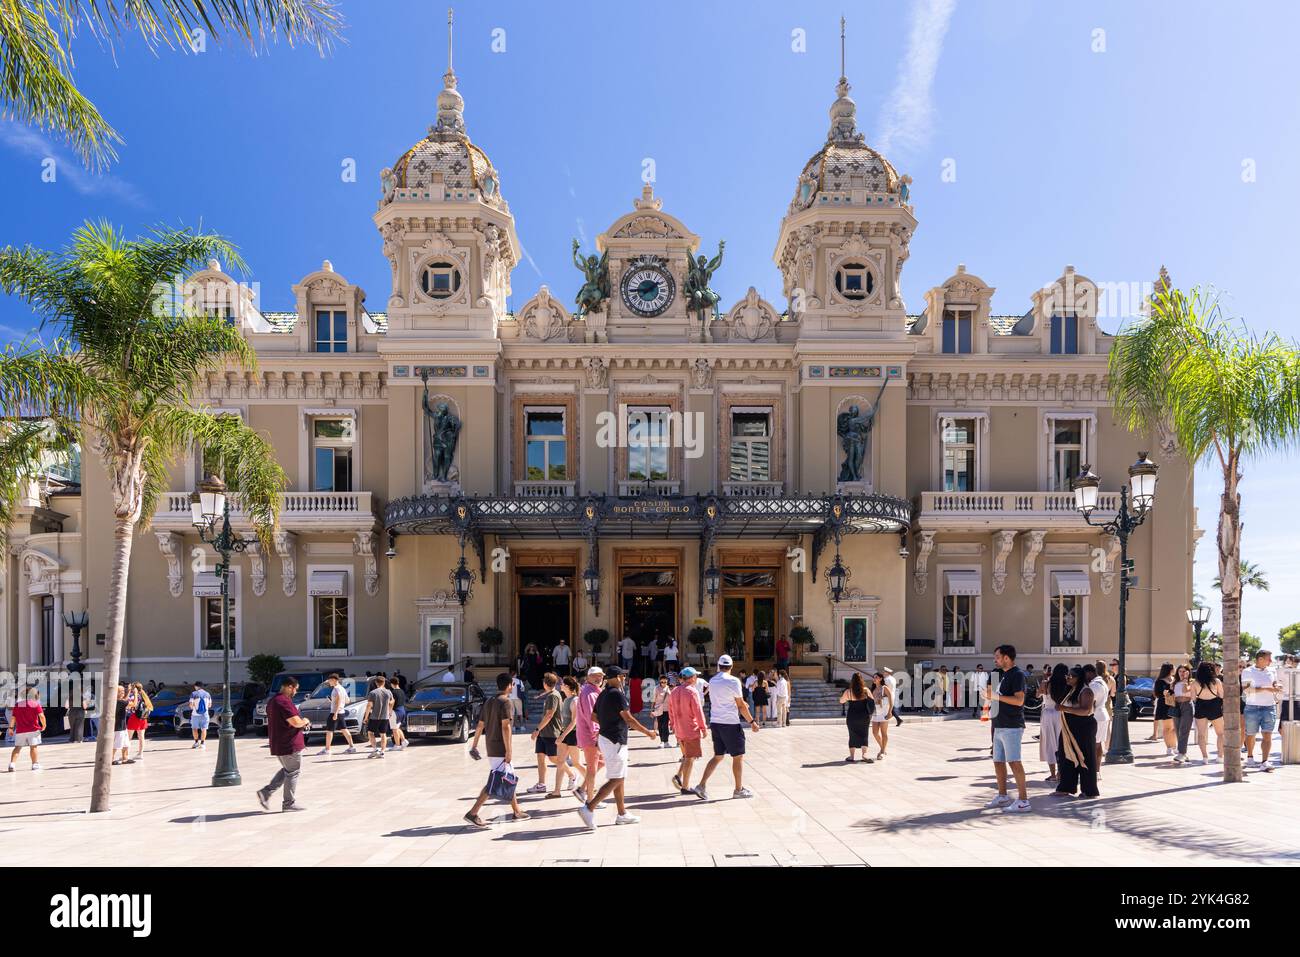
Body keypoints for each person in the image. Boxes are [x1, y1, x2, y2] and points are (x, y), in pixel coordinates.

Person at [576, 666, 657, 829]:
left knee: (619, 776)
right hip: (615, 740)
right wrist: (648, 732)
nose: (624, 679)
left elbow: (593, 716)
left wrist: (607, 724)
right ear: (618, 677)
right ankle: (589, 807)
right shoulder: (616, 694)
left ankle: (622, 814)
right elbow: (629, 719)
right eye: (623, 677)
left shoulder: (603, 694)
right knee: (617, 778)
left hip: (606, 738)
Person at [464, 673, 530, 827]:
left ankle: (517, 811)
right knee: (495, 782)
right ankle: (473, 813)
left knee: (509, 778)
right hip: (500, 748)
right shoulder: (506, 702)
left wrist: (474, 745)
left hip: (491, 746)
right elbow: (506, 726)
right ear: (509, 686)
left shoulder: (489, 701)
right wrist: (508, 750)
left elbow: (480, 725)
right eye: (512, 685)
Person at [692, 654, 761, 801]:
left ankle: (701, 785)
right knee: (738, 756)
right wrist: (752, 722)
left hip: (716, 723)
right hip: (730, 723)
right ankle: (738, 789)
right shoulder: (734, 681)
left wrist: (740, 704)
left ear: (718, 666)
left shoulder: (713, 681)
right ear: (731, 666)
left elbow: (728, 700)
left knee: (718, 756)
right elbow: (740, 705)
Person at [984, 644, 1030, 813]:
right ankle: (1002, 795)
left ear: (1006, 658)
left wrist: (995, 696)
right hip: (997, 723)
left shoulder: (1017, 675)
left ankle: (1024, 800)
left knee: (1014, 762)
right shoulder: (995, 674)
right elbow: (990, 693)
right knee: (998, 762)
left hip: (1012, 725)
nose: (994, 660)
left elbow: (1019, 701)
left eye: (997, 656)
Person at [256, 675, 310, 812]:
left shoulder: (272, 701)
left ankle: (266, 792)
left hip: (278, 743)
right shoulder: (284, 702)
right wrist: (306, 721)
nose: (296, 692)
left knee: (288, 770)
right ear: (289, 687)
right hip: (289, 744)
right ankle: (288, 803)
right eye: (295, 689)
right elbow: (296, 722)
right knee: (293, 772)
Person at [1053, 665, 1100, 799]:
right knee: (1065, 755)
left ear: (1079, 678)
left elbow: (1085, 710)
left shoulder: (1086, 692)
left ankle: (1089, 790)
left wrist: (1064, 708)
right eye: (1067, 675)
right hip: (1070, 727)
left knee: (1085, 757)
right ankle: (1066, 787)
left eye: (1071, 676)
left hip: (1083, 727)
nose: (1068, 677)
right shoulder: (1072, 690)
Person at [668, 667, 708, 793]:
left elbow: (671, 711)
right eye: (695, 676)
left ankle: (679, 777)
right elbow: (698, 711)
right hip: (690, 729)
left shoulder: (674, 691)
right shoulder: (692, 691)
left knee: (686, 756)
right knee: (690, 758)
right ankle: (685, 786)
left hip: (679, 729)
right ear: (691, 678)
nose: (696, 678)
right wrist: (703, 728)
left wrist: (673, 724)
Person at [528, 672, 569, 793]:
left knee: (553, 759)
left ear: (545, 684)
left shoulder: (553, 696)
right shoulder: (552, 694)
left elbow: (549, 715)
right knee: (540, 757)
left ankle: (572, 775)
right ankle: (541, 784)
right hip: (544, 733)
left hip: (551, 732)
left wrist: (537, 729)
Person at [1242, 649, 1281, 771]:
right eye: (1269, 659)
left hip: (1269, 706)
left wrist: (1277, 687)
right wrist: (1266, 688)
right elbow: (1247, 690)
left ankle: (1265, 761)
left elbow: (1274, 684)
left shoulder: (1272, 670)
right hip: (1252, 707)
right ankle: (1250, 757)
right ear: (1260, 659)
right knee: (1250, 734)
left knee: (1267, 735)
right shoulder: (1247, 671)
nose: (1271, 661)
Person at [551, 676, 585, 797]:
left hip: (572, 734)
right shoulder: (566, 700)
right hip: (564, 733)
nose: (560, 685)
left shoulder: (575, 700)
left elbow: (574, 721)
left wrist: (562, 736)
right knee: (560, 762)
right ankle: (556, 791)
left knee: (576, 763)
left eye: (563, 684)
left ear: (568, 686)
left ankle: (591, 783)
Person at [575, 666, 604, 803]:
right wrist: (597, 734)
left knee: (601, 762)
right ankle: (591, 801)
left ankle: (581, 789)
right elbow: (592, 717)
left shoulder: (592, 691)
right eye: (595, 676)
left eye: (601, 676)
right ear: (588, 678)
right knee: (592, 768)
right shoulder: (590, 694)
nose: (599, 678)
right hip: (592, 736)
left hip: (592, 735)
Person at [1039, 664, 1069, 781]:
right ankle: (1061, 772)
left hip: (1047, 714)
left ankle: (1052, 774)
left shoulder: (1045, 683)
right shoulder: (1066, 684)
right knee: (1061, 743)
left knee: (1049, 744)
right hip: (1060, 713)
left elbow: (1038, 694)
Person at [316, 673, 357, 756]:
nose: (329, 682)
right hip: (341, 712)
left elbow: (338, 701)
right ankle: (352, 747)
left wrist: (335, 713)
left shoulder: (336, 689)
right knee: (344, 729)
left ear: (334, 680)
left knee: (329, 731)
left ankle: (327, 749)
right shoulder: (342, 689)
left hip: (335, 712)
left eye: (330, 681)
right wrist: (333, 702)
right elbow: (347, 701)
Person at [1191, 661, 1224, 764]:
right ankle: (1220, 756)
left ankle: (1205, 757)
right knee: (1220, 733)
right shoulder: (1216, 681)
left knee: (1201, 734)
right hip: (1214, 705)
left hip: (1201, 705)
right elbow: (1222, 695)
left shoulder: (1195, 683)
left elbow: (1193, 698)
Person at [7, 685, 45, 771]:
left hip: (20, 730)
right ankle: (35, 764)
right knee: (33, 747)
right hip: (33, 730)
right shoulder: (36, 704)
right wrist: (44, 725)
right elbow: (41, 716)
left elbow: (13, 718)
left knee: (17, 747)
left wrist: (11, 728)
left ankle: (12, 764)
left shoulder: (17, 705)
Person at [839, 673, 875, 763]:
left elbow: (841, 701)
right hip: (864, 716)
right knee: (864, 734)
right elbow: (872, 702)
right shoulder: (866, 690)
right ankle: (864, 755)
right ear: (862, 680)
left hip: (852, 716)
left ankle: (851, 756)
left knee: (852, 735)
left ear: (852, 681)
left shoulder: (849, 691)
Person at [363, 674, 394, 758]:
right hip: (385, 716)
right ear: (384, 682)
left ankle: (375, 749)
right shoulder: (389, 692)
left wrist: (366, 717)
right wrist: (389, 711)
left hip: (374, 717)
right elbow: (392, 702)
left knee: (370, 732)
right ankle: (382, 752)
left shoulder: (373, 693)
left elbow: (369, 705)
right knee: (383, 734)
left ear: (376, 683)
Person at [1089, 662, 1111, 769]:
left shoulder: (1093, 685)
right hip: (1103, 714)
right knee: (1099, 744)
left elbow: (1091, 702)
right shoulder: (1103, 682)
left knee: (1094, 745)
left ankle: (1093, 770)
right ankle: (1097, 769)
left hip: (1096, 715)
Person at [1170, 664, 1194, 764]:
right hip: (1176, 706)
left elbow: (1185, 690)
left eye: (1184, 671)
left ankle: (1181, 753)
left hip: (1187, 705)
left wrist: (1185, 680)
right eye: (1180, 671)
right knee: (1177, 729)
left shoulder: (1191, 682)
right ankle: (1183, 753)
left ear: (1188, 672)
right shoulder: (1174, 683)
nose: (1182, 673)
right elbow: (1172, 694)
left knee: (1184, 729)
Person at [126, 682, 152, 761]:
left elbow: (131, 705)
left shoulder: (134, 695)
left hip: (134, 717)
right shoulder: (144, 695)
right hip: (143, 717)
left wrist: (129, 692)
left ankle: (125, 754)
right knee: (141, 737)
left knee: (128, 737)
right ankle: (140, 754)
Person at [1152, 662, 1175, 749]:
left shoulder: (1175, 680)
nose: (1175, 670)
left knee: (1174, 728)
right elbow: (1157, 694)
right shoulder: (1160, 681)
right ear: (1170, 670)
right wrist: (1166, 693)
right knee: (1167, 728)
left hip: (1175, 705)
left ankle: (1174, 746)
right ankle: (1169, 747)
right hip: (1164, 706)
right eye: (1173, 668)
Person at [870, 671, 892, 758]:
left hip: (884, 712)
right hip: (875, 712)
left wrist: (890, 711)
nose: (874, 679)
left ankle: (882, 751)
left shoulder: (884, 688)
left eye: (876, 677)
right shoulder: (873, 689)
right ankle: (882, 748)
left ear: (880, 679)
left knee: (884, 733)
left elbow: (891, 700)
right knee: (875, 732)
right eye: (874, 677)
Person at [112, 684, 133, 765]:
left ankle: (125, 758)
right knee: (116, 745)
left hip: (122, 727)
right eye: (121, 691)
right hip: (118, 727)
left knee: (126, 744)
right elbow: (133, 704)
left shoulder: (120, 701)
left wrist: (129, 691)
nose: (123, 692)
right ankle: (111, 759)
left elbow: (125, 700)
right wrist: (134, 693)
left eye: (123, 691)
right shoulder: (119, 702)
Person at [188, 681, 212, 750]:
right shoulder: (207, 694)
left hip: (195, 715)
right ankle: (202, 743)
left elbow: (190, 705)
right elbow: (210, 705)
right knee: (204, 729)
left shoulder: (193, 694)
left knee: (194, 728)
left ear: (196, 686)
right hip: (205, 714)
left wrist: (193, 708)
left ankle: (196, 743)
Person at [651, 675, 673, 747]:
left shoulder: (669, 688)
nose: (663, 683)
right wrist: (652, 710)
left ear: (667, 682)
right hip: (659, 709)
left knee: (666, 725)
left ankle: (666, 741)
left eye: (665, 682)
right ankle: (662, 741)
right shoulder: (656, 688)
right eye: (662, 682)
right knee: (660, 725)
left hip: (667, 709)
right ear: (660, 682)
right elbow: (653, 699)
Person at [388, 678, 410, 750]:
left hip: (395, 711)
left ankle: (397, 745)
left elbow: (391, 703)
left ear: (392, 683)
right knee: (397, 728)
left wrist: (389, 712)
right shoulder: (402, 691)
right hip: (402, 710)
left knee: (394, 729)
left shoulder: (393, 692)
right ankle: (404, 741)